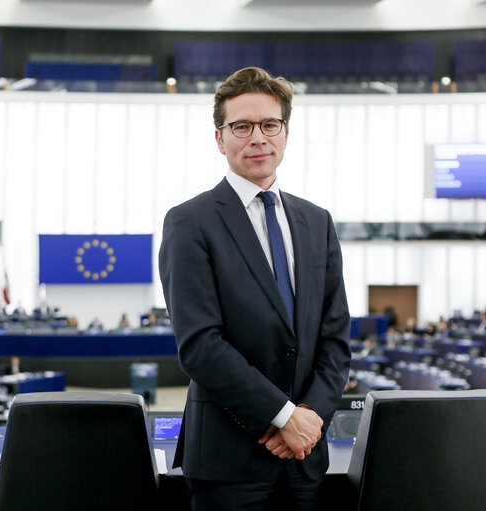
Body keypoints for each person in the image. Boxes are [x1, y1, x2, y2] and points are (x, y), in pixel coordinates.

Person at [159, 67, 351, 511]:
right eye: (241, 126)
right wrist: (285, 417)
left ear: (285, 133)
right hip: (229, 462)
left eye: (270, 125)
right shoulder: (190, 222)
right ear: (219, 138)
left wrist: (310, 421)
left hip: (304, 458)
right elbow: (200, 346)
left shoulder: (316, 221)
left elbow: (336, 339)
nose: (258, 138)